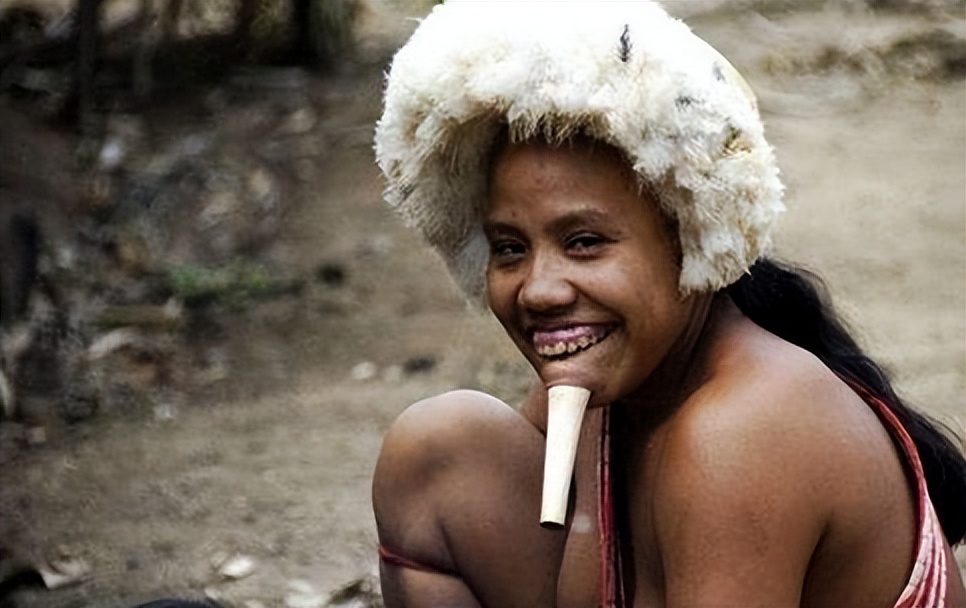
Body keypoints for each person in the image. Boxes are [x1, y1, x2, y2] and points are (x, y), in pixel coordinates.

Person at [371, 2, 966, 607]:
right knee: (436, 454)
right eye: (509, 248)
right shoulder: (612, 382)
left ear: (693, 239)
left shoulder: (742, 432)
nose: (539, 290)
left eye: (585, 243)